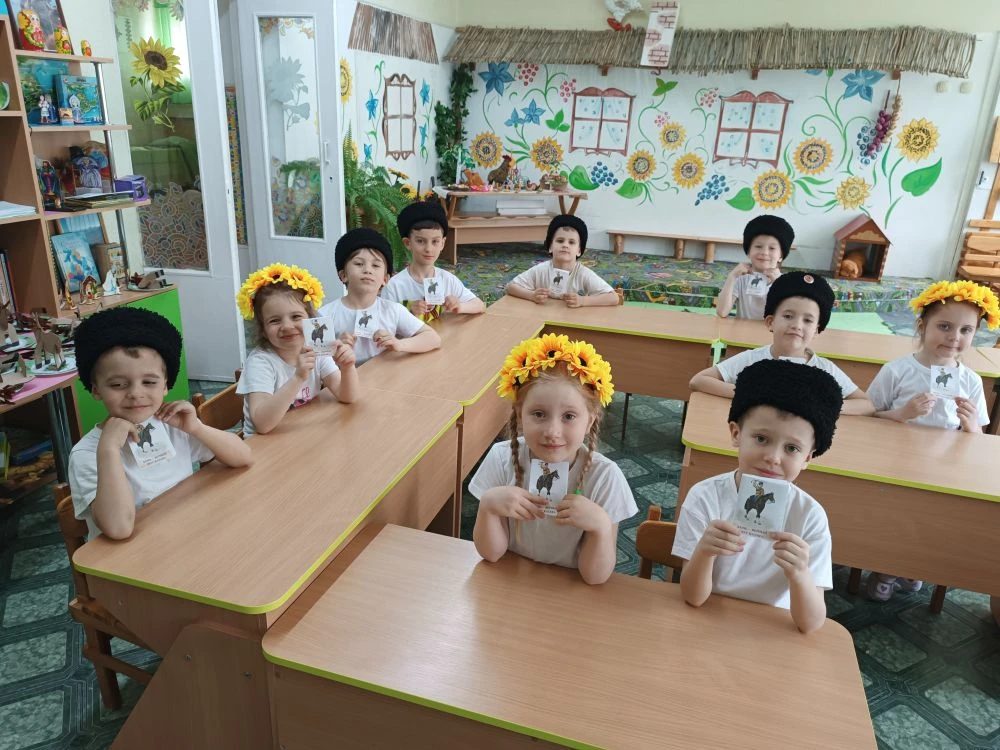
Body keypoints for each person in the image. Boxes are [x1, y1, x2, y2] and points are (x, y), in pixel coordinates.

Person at [673, 359, 843, 633]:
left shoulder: (810, 516)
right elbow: (693, 597)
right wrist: (704, 552)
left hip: (771, 630)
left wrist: (800, 574)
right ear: (736, 434)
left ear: (808, 458)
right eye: (762, 439)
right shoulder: (705, 497)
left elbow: (811, 623)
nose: (773, 458)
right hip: (706, 620)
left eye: (791, 448)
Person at [864, 279, 999, 600]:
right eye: (945, 326)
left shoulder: (970, 380)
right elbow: (868, 416)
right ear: (922, 326)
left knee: (931, 520)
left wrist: (970, 425)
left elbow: (979, 439)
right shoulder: (896, 370)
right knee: (895, 518)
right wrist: (902, 413)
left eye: (966, 330)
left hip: (944, 467)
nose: (954, 337)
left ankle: (916, 568)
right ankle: (884, 569)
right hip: (898, 462)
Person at [69, 307, 252, 539]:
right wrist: (108, 450)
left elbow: (244, 457)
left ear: (165, 385)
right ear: (96, 390)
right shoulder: (87, 453)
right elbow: (119, 528)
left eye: (149, 382)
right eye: (117, 385)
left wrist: (197, 427)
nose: (136, 394)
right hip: (136, 555)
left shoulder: (170, 425)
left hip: (186, 535)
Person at [469, 334, 637, 584]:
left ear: (589, 421)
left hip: (569, 590)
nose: (552, 432)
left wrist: (601, 527)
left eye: (569, 416)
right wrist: (488, 507)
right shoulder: (501, 458)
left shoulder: (605, 476)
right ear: (520, 415)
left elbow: (595, 577)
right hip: (510, 581)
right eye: (539, 414)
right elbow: (491, 554)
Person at [691, 271, 874, 415]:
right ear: (770, 322)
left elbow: (866, 405)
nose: (797, 325)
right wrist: (753, 393)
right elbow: (698, 380)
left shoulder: (824, 368)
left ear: (817, 330)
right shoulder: (752, 359)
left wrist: (823, 405)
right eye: (788, 316)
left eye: (807, 320)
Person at [235, 263, 360, 435]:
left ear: (310, 319)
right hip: (263, 444)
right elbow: (262, 425)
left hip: (302, 433)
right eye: (274, 320)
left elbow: (347, 397)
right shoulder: (260, 362)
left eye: (295, 316)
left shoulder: (316, 349)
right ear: (262, 329)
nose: (287, 326)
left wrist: (347, 368)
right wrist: (298, 377)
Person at [318, 228, 440, 364]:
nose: (367, 270)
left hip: (385, 375)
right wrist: (333, 350)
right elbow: (313, 363)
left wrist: (398, 344)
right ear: (343, 275)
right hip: (343, 377)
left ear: (385, 279)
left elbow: (433, 338)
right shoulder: (324, 315)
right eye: (359, 264)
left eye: (375, 265)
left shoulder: (393, 310)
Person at [382, 200, 485, 321]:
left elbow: (480, 305)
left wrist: (459, 306)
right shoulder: (395, 286)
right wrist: (409, 311)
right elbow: (383, 320)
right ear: (408, 243)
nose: (429, 249)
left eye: (435, 241)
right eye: (420, 241)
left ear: (443, 243)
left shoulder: (448, 280)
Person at [505, 215, 618, 308]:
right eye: (560, 241)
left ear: (579, 250)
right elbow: (511, 287)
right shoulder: (541, 270)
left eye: (571, 242)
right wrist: (532, 295)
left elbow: (613, 297)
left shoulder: (583, 274)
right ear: (550, 247)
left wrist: (582, 301)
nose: (565, 245)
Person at [716, 215, 793, 319]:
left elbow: (789, 316)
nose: (764, 252)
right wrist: (732, 277)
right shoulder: (741, 278)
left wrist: (779, 284)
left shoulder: (785, 283)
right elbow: (722, 312)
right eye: (758, 246)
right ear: (748, 252)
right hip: (742, 329)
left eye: (772, 248)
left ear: (781, 256)